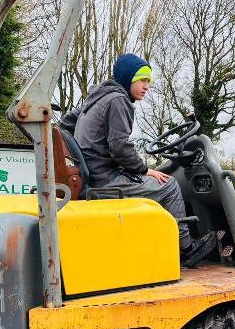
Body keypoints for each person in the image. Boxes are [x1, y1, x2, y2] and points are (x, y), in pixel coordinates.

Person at [65, 53, 217, 268]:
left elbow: (64, 122)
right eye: (142, 80)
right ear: (128, 78)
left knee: (158, 181)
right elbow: (119, 148)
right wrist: (144, 170)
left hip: (95, 175)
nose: (147, 86)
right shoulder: (118, 100)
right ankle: (187, 249)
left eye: (149, 81)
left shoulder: (98, 98)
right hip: (106, 179)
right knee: (170, 185)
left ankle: (160, 243)